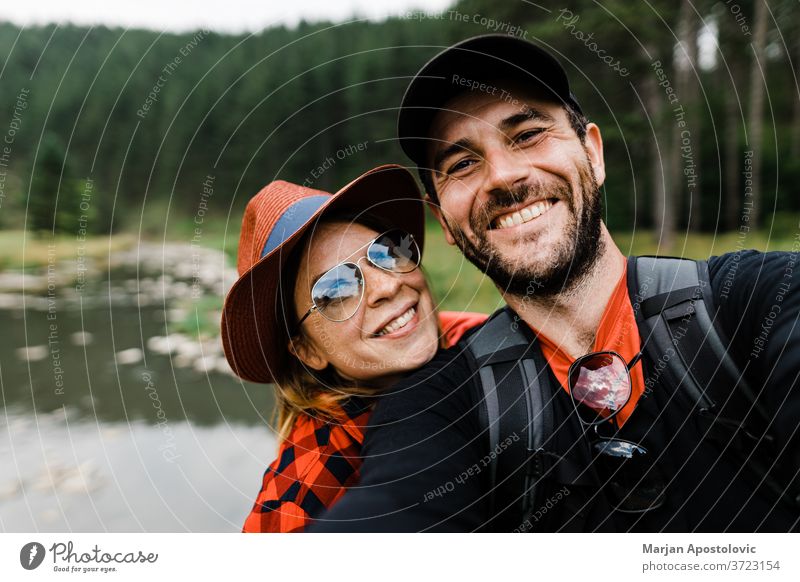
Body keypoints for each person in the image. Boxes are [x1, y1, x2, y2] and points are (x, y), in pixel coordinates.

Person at [310, 35, 800, 532]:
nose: (503, 176)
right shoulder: (440, 406)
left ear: (593, 153)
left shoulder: (761, 300)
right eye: (462, 163)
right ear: (445, 223)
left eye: (526, 135)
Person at [220, 165, 486, 532]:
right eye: (336, 290)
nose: (386, 287)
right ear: (307, 350)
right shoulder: (305, 485)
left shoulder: (481, 335)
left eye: (387, 252)